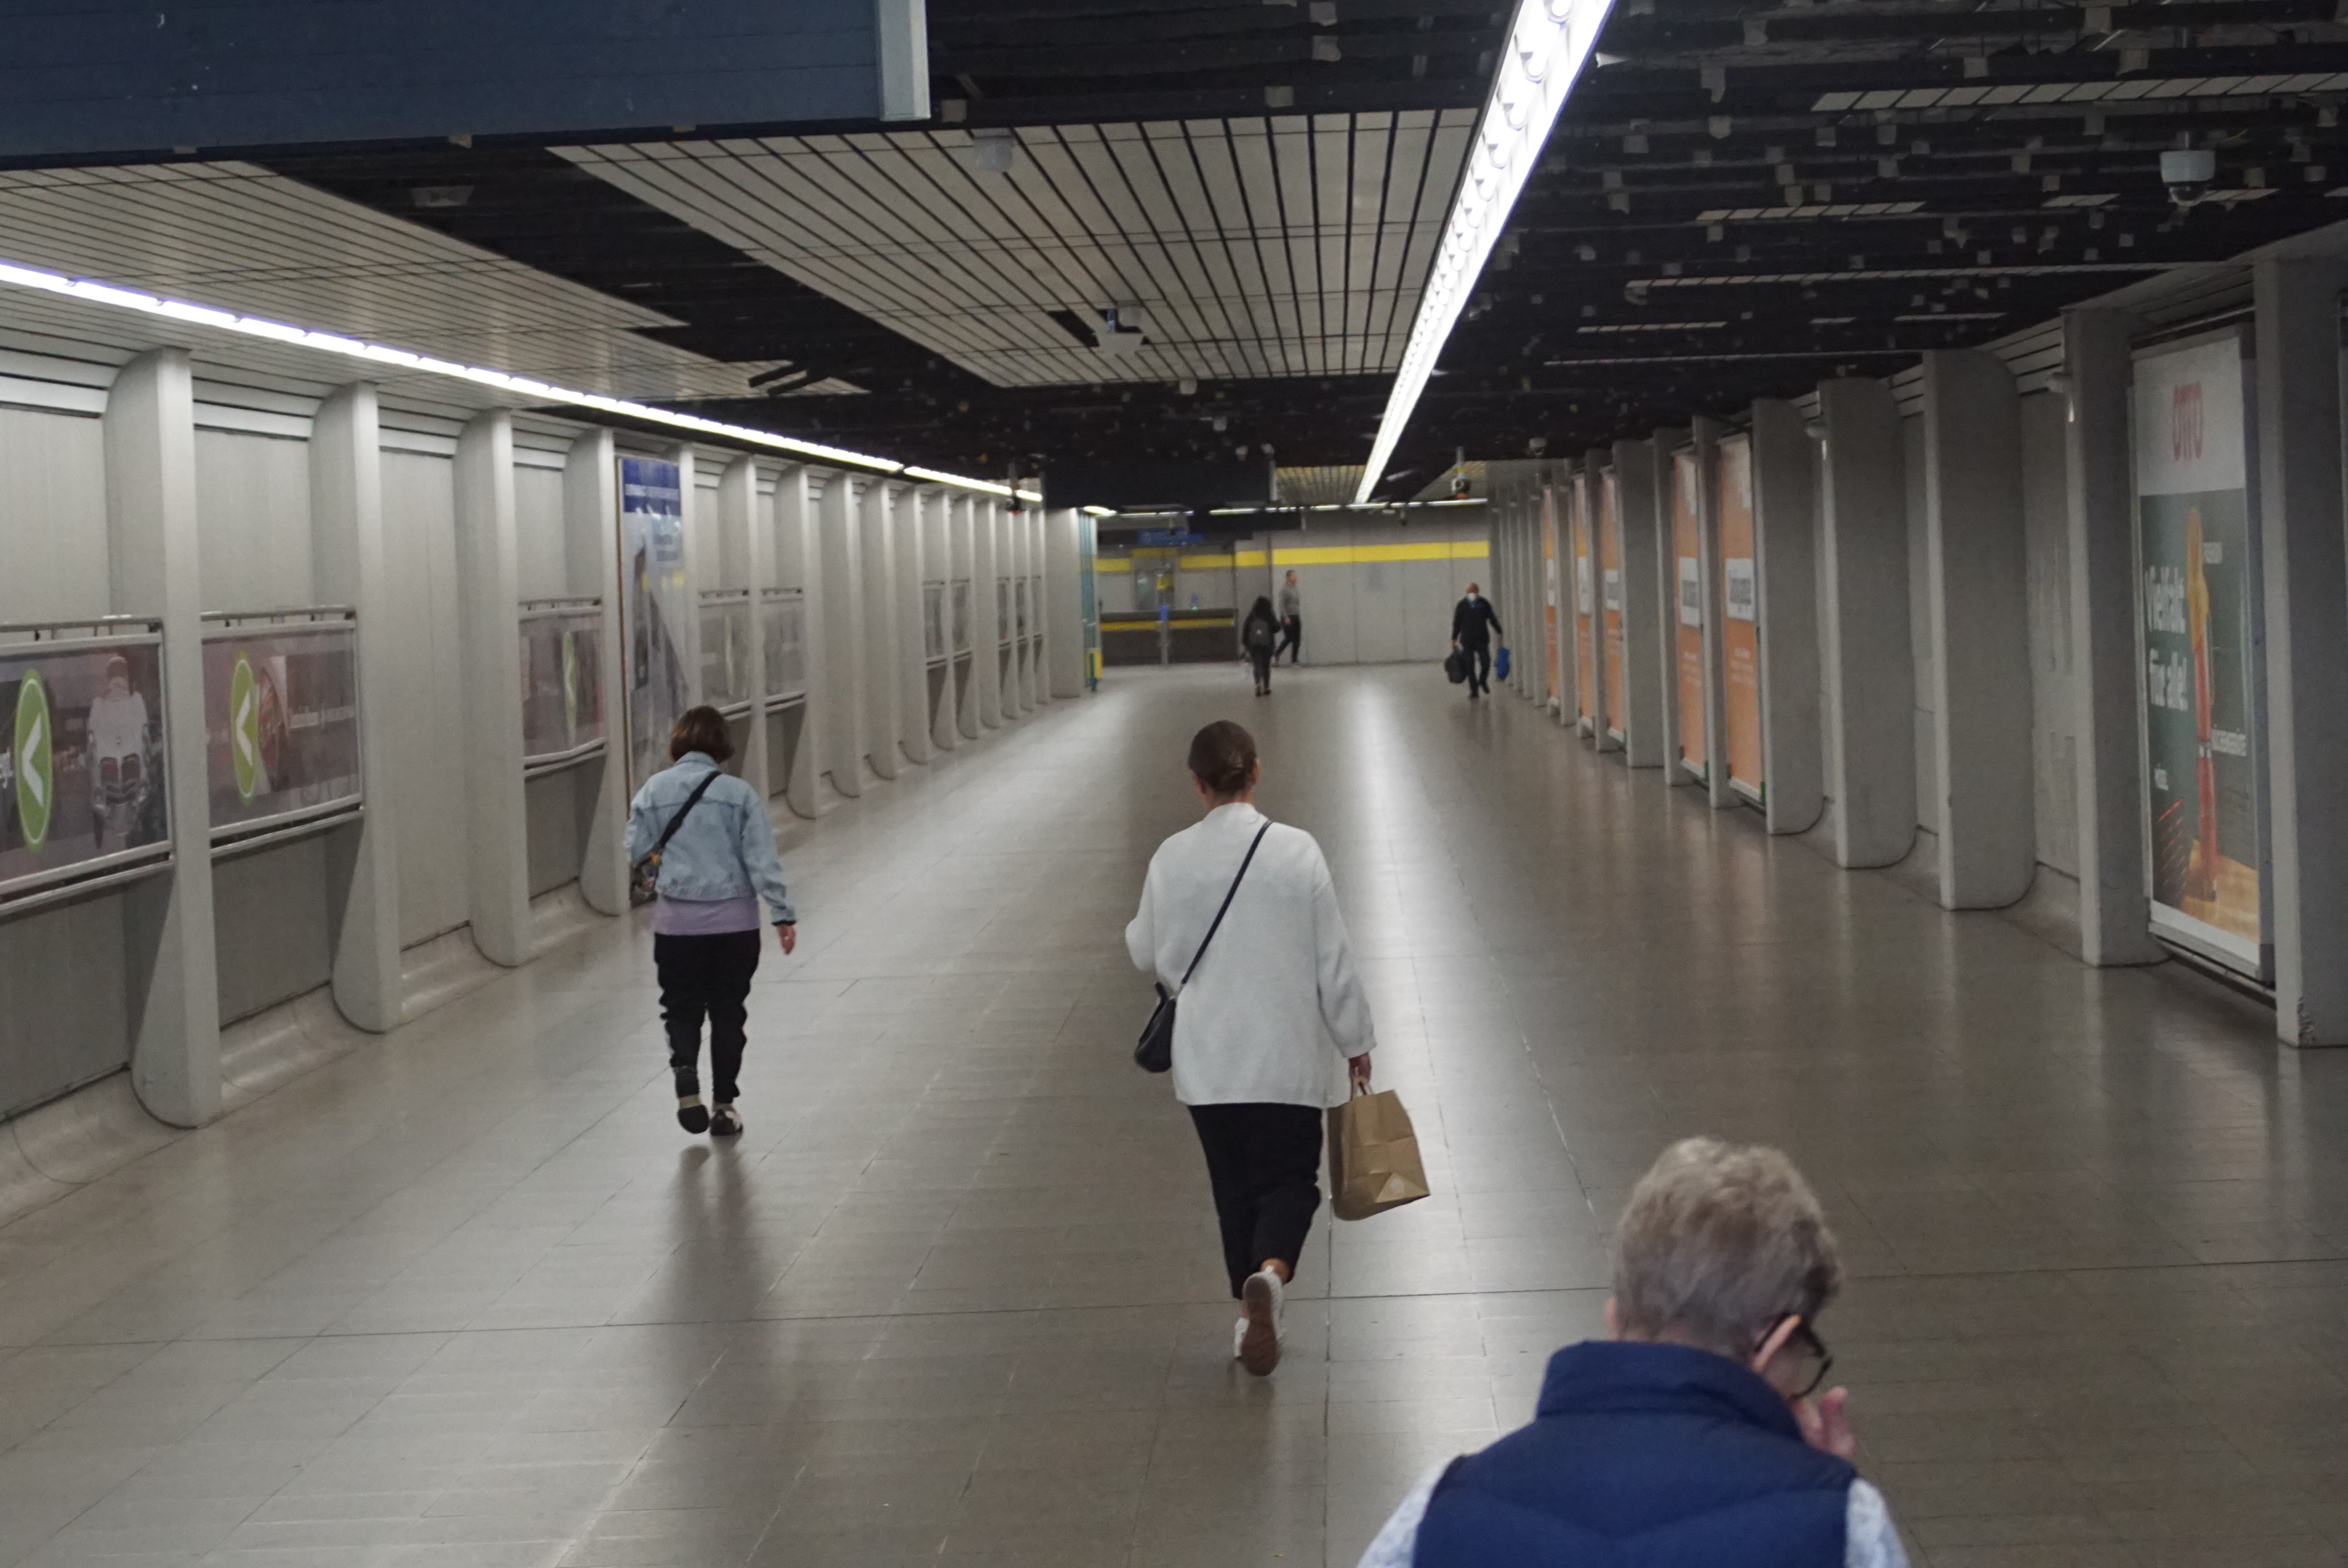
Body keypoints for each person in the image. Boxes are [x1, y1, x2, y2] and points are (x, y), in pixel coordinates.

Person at [1355, 1138, 1907, 1568]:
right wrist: (1818, 1496)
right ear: (1773, 1342)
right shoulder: (1842, 1524)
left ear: (1616, 1320)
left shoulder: (1441, 1509)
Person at [1125, 720, 1374, 1376]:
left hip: (1207, 1064)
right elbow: (1333, 960)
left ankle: (1249, 1312)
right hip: (1284, 1057)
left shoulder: (1170, 857)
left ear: (1197, 784)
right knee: (1290, 1181)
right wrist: (1355, 1040)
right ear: (1256, 773)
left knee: (1232, 1189)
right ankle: (1271, 1273)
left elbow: (1143, 951)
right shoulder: (1297, 851)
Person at [625, 705, 798, 1138]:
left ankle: (686, 1075)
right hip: (733, 925)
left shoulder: (652, 790)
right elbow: (761, 860)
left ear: (679, 743)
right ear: (722, 745)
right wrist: (781, 912)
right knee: (728, 1013)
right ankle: (724, 1107)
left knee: (681, 1008)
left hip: (677, 926)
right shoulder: (739, 795)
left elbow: (637, 850)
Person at [1451, 583, 1503, 699]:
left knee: (1486, 663)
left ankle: (1482, 680)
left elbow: (1492, 618)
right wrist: (1454, 638)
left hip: (1482, 639)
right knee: (1470, 666)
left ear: (1477, 591)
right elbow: (1457, 623)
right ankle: (1474, 690)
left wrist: (1499, 631)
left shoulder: (1484, 603)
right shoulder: (1462, 605)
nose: (1472, 594)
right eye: (1469, 592)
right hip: (1467, 640)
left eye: (1473, 591)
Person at [1241, 595, 1280, 696]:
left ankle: (1258, 685)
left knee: (1257, 665)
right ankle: (1266, 687)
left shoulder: (1252, 616)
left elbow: (1246, 630)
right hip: (1267, 644)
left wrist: (1246, 644)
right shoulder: (1269, 614)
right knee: (1266, 666)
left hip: (1254, 646)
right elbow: (1277, 628)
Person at [1275, 570, 1302, 665]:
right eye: (1294, 576)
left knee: (1297, 639)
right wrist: (1286, 617)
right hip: (1288, 617)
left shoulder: (1295, 588)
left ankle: (1294, 659)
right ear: (1289, 578)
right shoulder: (1284, 589)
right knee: (1289, 638)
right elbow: (1282, 605)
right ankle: (1277, 653)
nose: (1296, 578)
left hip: (1296, 616)